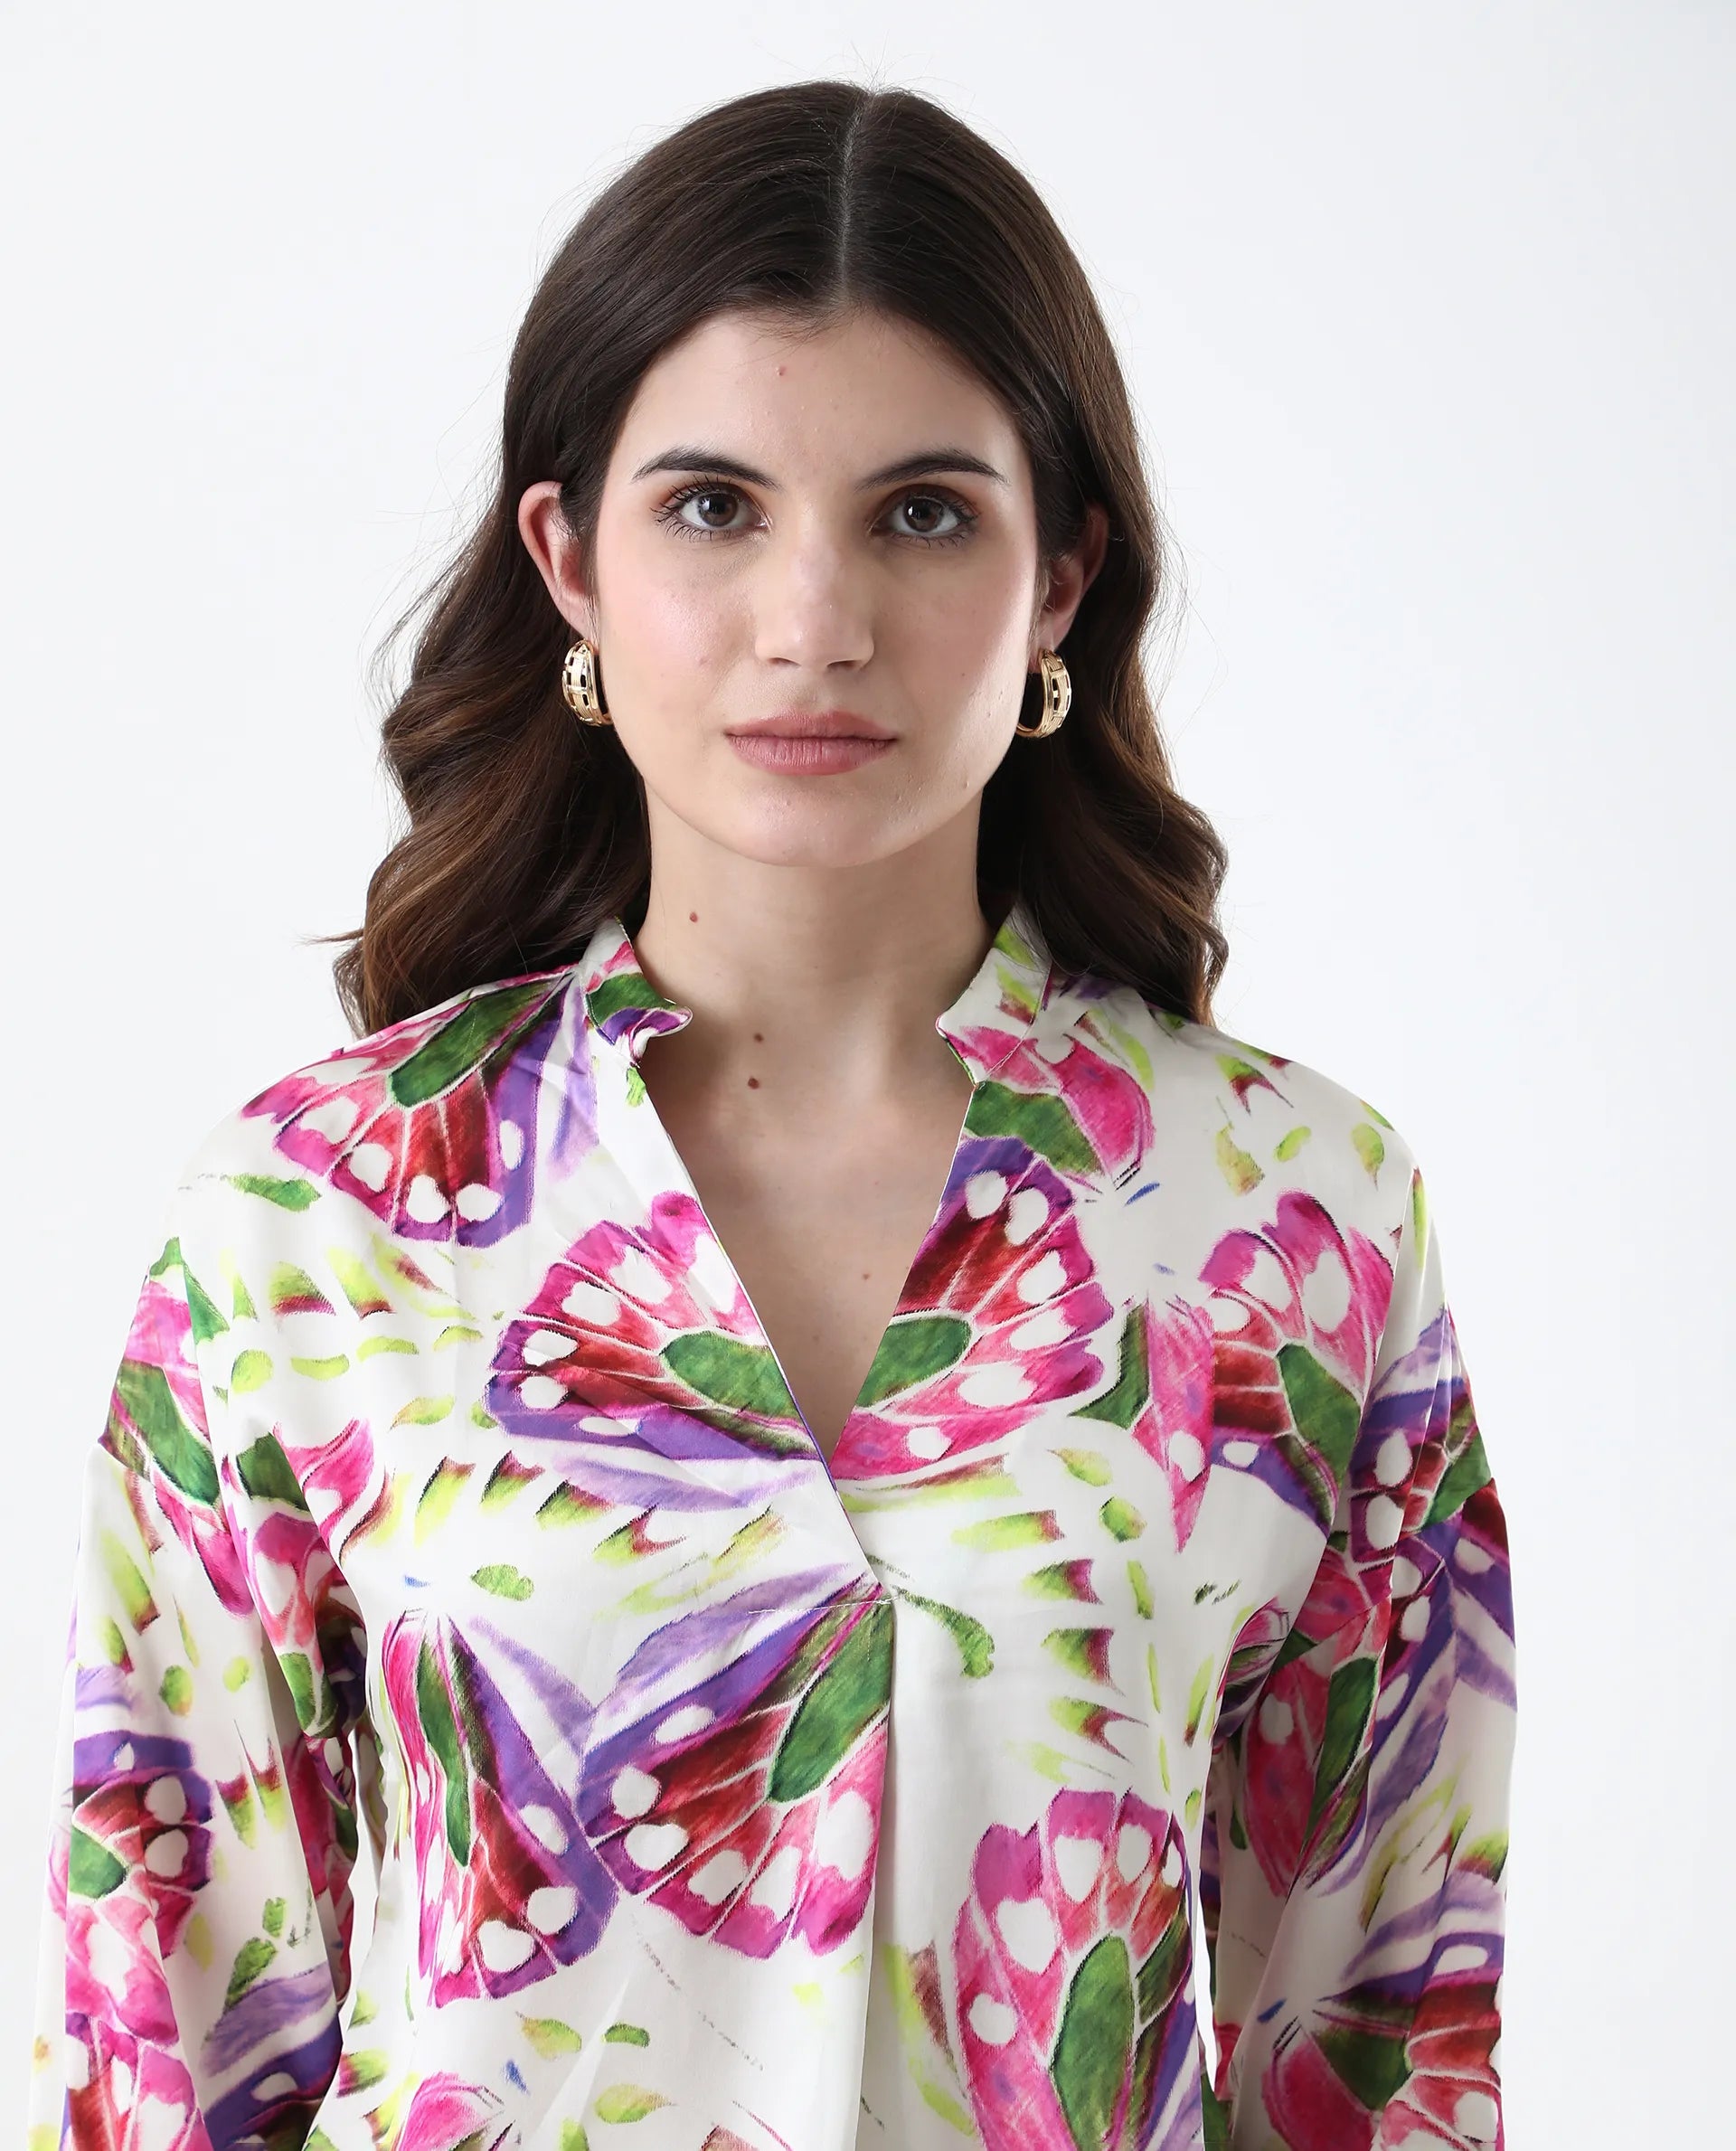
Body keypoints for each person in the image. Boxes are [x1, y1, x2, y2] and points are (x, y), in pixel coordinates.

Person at [26, 78, 1516, 2151]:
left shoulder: (1295, 1222)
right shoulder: (316, 1219)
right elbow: (160, 2041)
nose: (815, 622)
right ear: (570, 560)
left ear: (1063, 574)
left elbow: (1379, 2045)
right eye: (714, 506)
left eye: (924, 512)